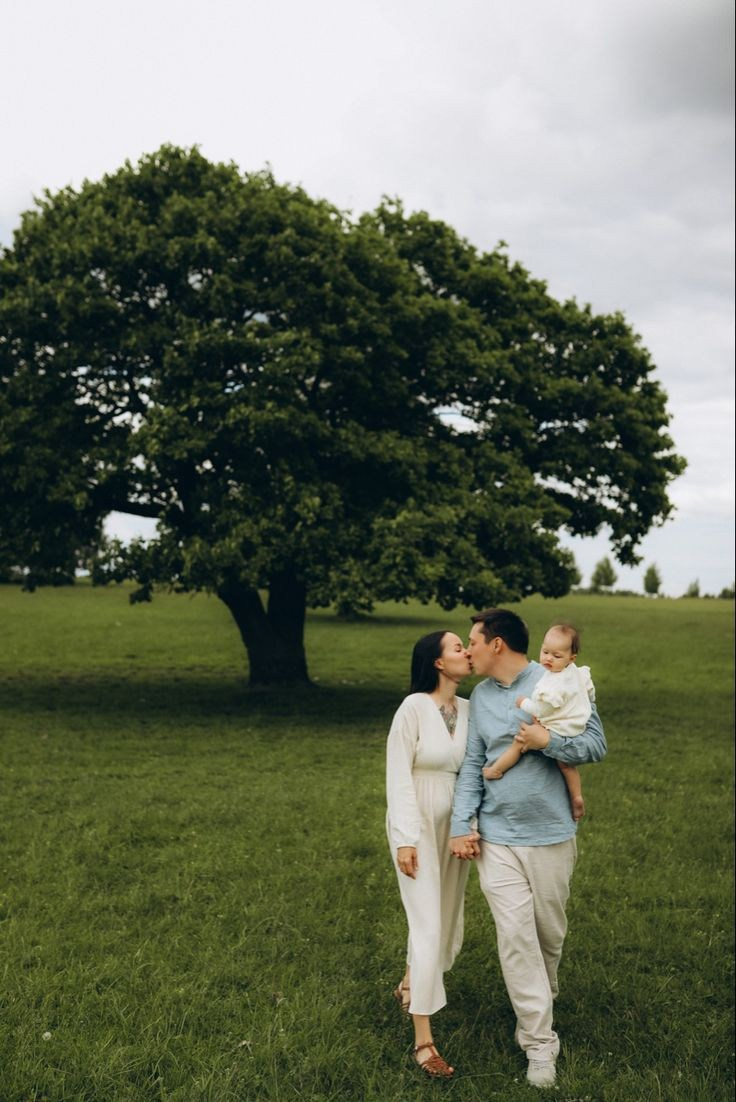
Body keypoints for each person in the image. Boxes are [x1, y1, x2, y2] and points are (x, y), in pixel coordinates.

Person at [449, 609, 607, 1090]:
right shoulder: (480, 696)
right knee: (516, 938)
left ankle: (539, 997)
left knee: (547, 936)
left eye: (473, 642)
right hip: (498, 839)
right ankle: (540, 1042)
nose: (467, 651)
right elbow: (475, 762)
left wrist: (548, 741)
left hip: (551, 835)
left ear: (496, 644)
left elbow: (596, 745)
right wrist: (462, 823)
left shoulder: (557, 678)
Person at [386, 630, 472, 1079]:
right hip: (416, 821)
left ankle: (407, 985)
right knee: (427, 923)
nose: (467, 652)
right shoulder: (413, 708)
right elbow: (398, 774)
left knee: (445, 915)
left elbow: (473, 771)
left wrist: (469, 826)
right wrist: (405, 837)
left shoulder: (471, 710)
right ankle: (424, 1040)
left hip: (455, 829)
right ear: (438, 663)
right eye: (458, 648)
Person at [482, 622, 595, 822]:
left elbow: (541, 710)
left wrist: (524, 703)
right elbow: (589, 690)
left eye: (556, 656)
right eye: (545, 652)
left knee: (519, 742)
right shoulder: (576, 673)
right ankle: (576, 796)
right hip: (572, 726)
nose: (549, 659)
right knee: (566, 766)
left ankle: (496, 769)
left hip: (554, 727)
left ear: (572, 658)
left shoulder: (554, 683)